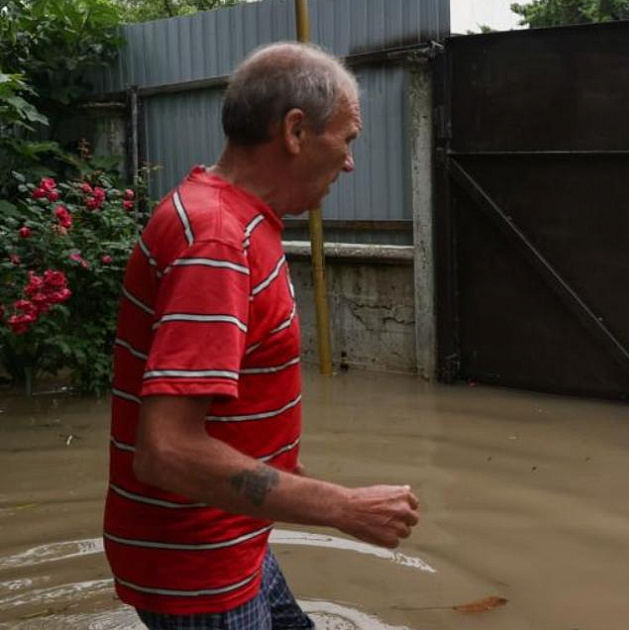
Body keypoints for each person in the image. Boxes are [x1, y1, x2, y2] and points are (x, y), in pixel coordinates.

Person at [104, 42, 420, 629]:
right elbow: (166, 452)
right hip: (201, 566)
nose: (350, 162)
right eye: (347, 138)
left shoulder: (233, 220)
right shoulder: (217, 243)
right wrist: (342, 507)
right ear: (296, 130)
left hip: (228, 539)